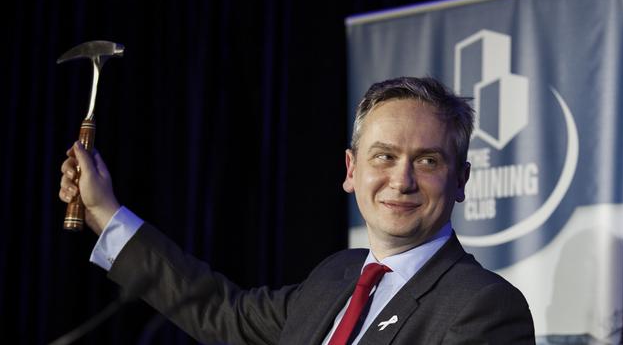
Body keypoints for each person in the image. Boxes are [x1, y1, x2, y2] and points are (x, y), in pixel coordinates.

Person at [59, 76, 535, 344]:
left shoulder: (486, 308)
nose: (402, 179)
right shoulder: (334, 277)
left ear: (461, 180)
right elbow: (219, 311)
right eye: (384, 156)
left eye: (427, 161)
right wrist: (105, 212)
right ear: (352, 170)